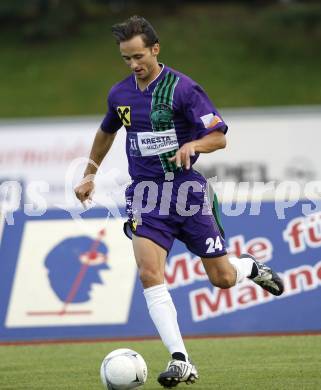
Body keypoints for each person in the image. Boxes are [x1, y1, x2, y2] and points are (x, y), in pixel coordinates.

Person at [75, 15, 284, 388]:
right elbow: (107, 131)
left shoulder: (184, 89)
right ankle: (180, 359)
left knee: (221, 278)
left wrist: (193, 144)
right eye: (126, 58)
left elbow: (218, 136)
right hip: (145, 194)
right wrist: (89, 172)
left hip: (187, 192)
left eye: (139, 56)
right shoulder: (120, 95)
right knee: (149, 272)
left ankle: (248, 268)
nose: (134, 64)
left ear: (155, 49)